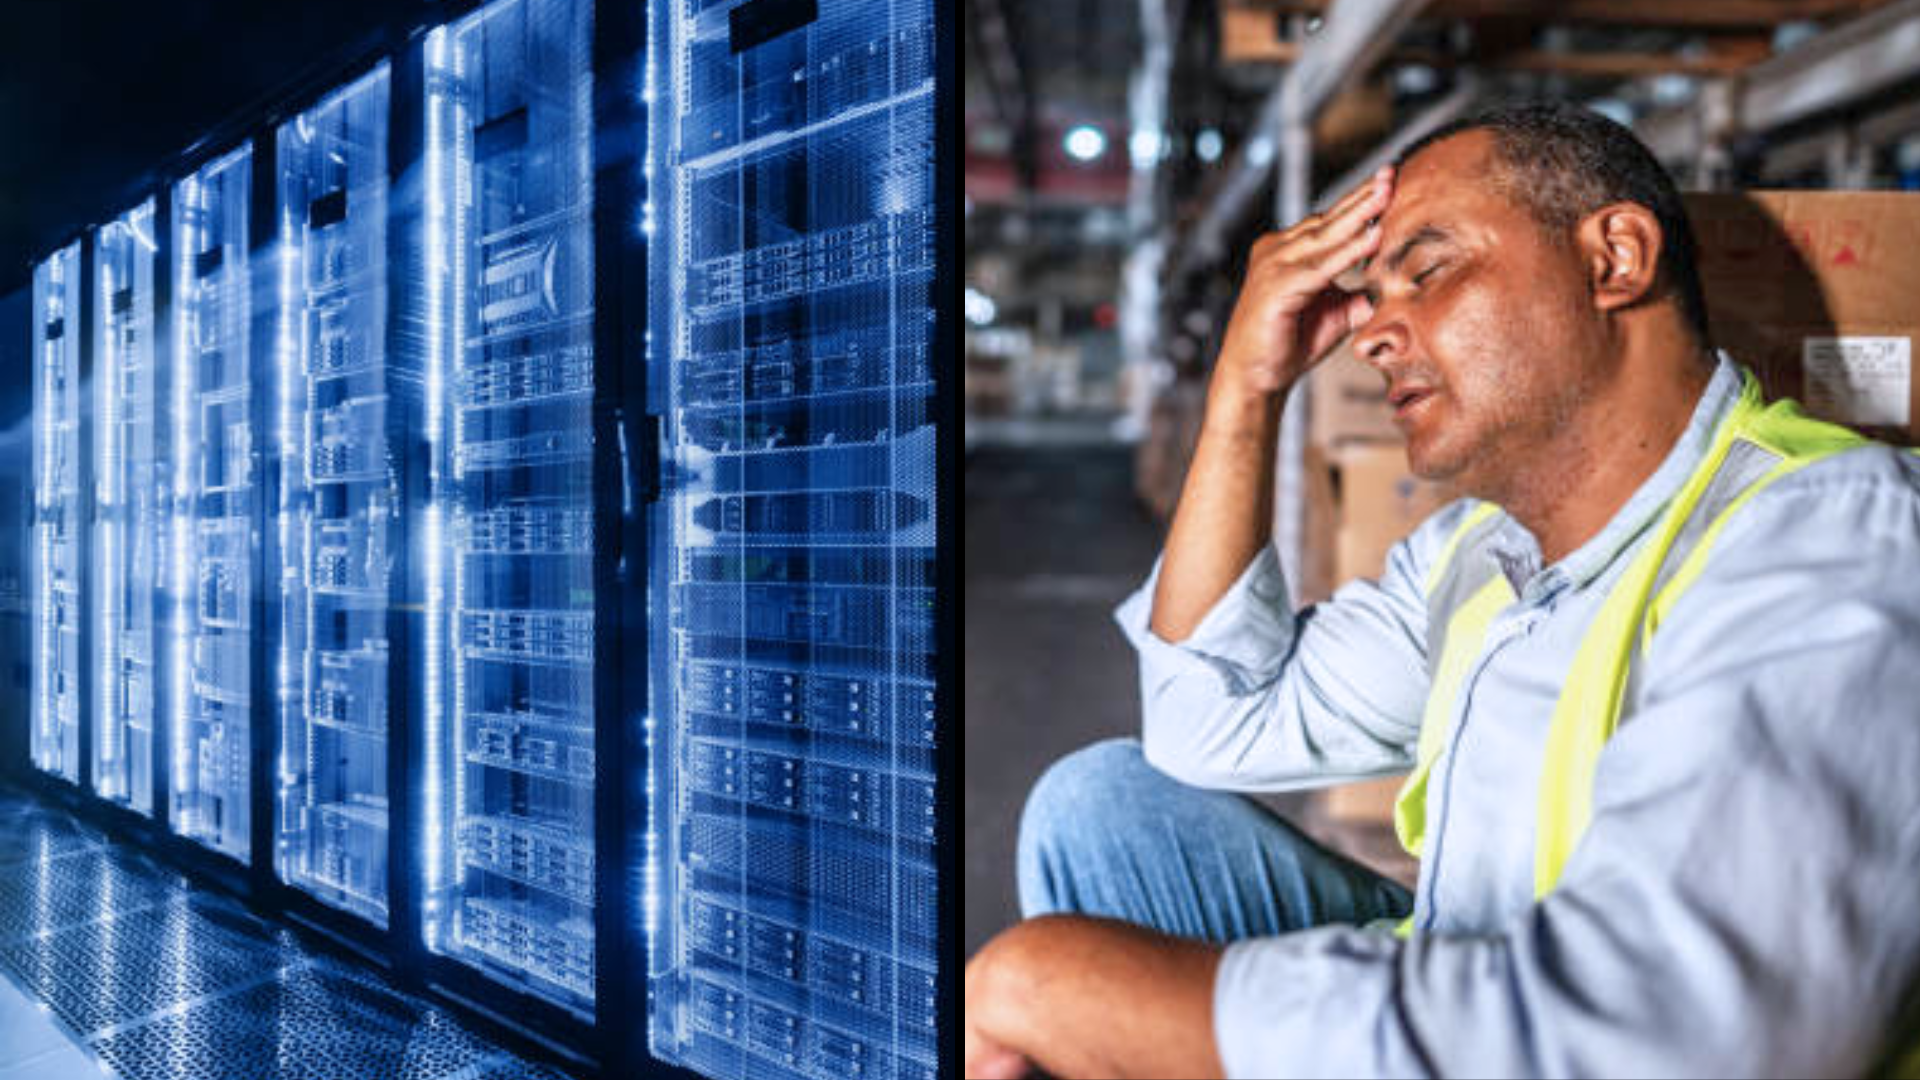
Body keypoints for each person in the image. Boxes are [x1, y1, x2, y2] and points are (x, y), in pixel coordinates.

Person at [964, 102, 1920, 1079]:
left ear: (1614, 260)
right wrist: (1245, 389)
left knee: (1060, 974)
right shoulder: (1481, 552)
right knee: (1105, 808)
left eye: (1426, 273)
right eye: (1372, 299)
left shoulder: (1826, 535)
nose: (1375, 333)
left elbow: (1684, 1036)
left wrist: (1045, 986)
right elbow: (1205, 726)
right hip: (1478, 967)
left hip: (1603, 1036)